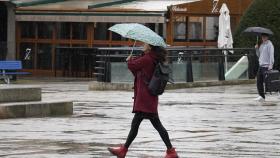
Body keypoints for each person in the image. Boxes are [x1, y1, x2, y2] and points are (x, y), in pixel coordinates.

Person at [108, 43, 179, 158]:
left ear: (150, 47)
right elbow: (138, 73)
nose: (143, 46)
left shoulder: (147, 58)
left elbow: (133, 66)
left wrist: (129, 60)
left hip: (145, 99)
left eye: (145, 45)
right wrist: (132, 62)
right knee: (147, 125)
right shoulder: (152, 58)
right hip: (148, 99)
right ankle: (170, 151)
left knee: (142, 125)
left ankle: (124, 150)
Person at [254, 33, 274, 102]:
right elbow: (259, 55)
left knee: (269, 82)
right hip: (261, 66)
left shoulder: (270, 45)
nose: (263, 38)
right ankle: (261, 96)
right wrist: (256, 49)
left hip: (266, 66)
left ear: (267, 37)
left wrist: (270, 65)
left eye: (265, 36)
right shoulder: (261, 45)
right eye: (262, 37)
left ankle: (278, 91)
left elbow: (271, 55)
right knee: (259, 81)